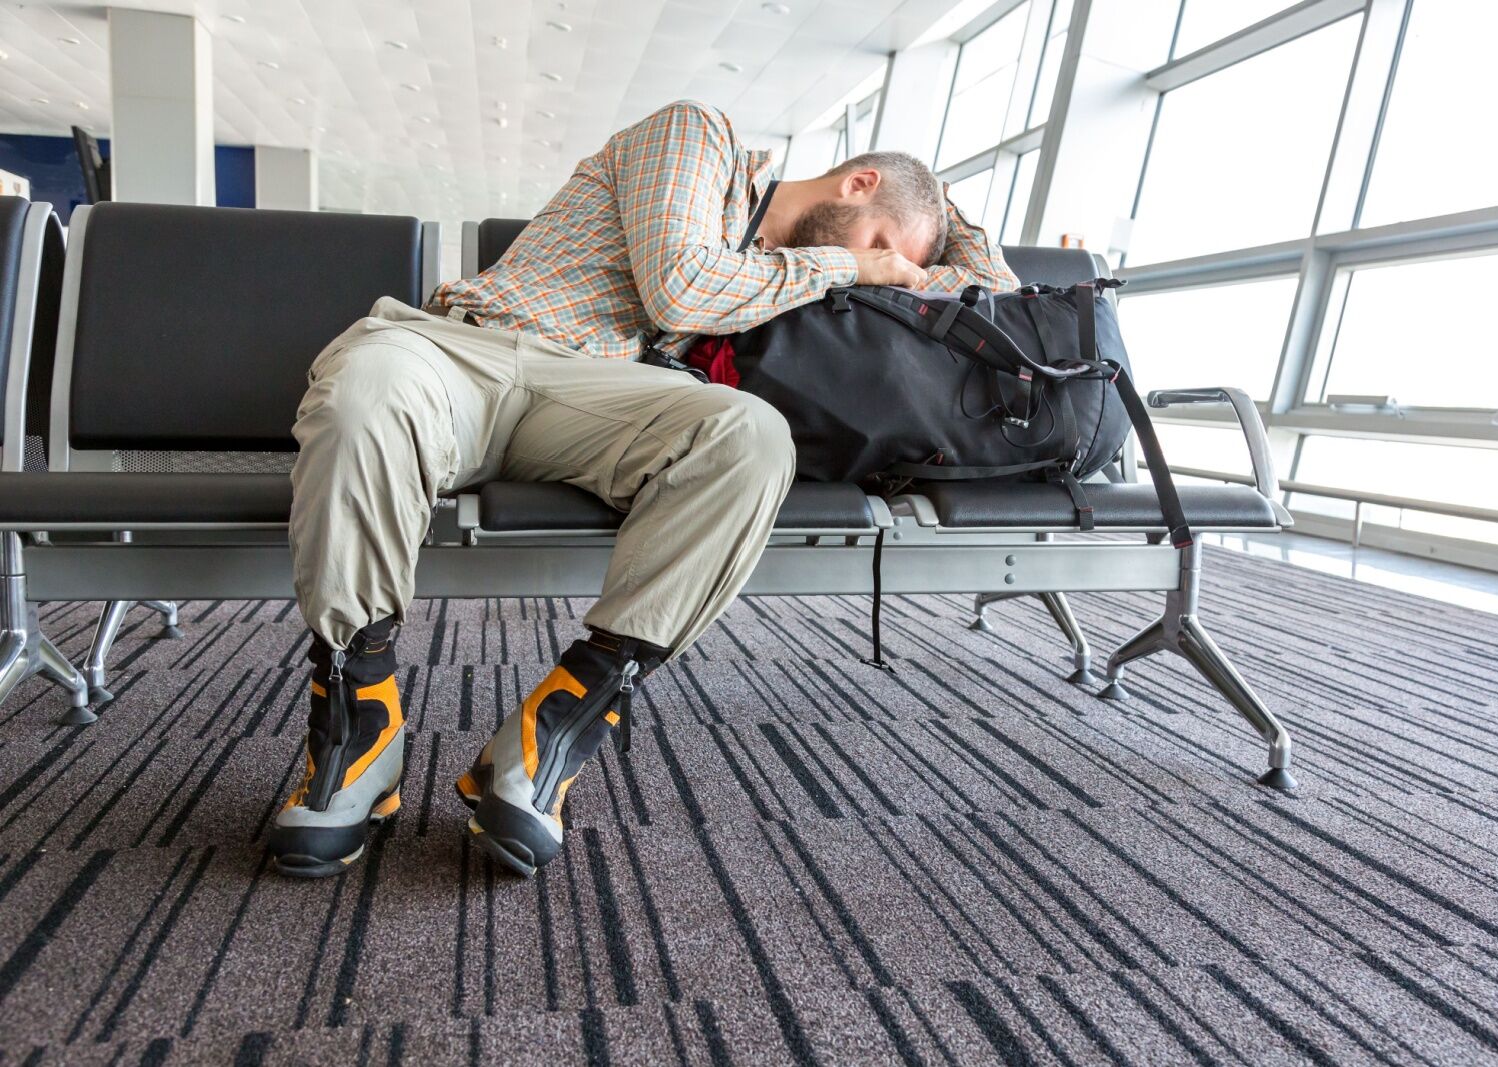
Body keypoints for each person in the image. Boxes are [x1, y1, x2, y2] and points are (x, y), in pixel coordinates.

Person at [267, 99, 1018, 879]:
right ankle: (359, 724)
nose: (882, 268)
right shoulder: (701, 137)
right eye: (884, 245)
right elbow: (680, 289)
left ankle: (555, 727)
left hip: (603, 396)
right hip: (472, 351)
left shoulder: (802, 264)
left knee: (753, 437)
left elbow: (993, 294)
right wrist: (858, 260)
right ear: (858, 183)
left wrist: (930, 205)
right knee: (365, 395)